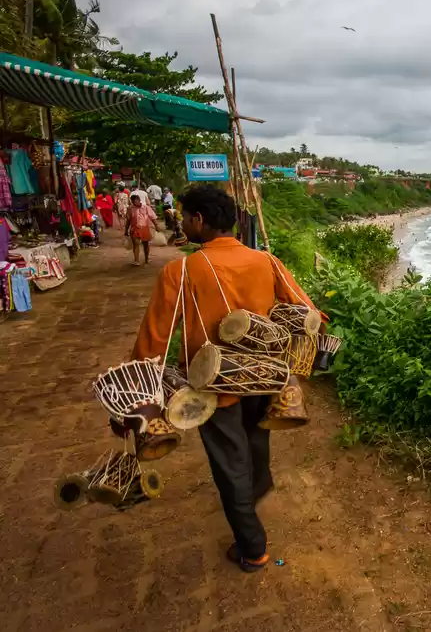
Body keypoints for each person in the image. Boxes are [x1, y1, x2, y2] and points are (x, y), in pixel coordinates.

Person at [131, 185, 324, 573]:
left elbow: (154, 339)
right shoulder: (266, 261)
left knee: (229, 461)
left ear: (199, 220)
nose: (183, 223)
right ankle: (254, 496)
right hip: (265, 376)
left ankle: (253, 548)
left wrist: (136, 388)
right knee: (255, 442)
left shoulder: (181, 270)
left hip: (213, 386)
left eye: (185, 217)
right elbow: (308, 312)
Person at [125, 194, 157, 265]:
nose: (134, 203)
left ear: (139, 200)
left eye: (135, 201)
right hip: (134, 228)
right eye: (133, 202)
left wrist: (156, 226)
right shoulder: (130, 209)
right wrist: (126, 230)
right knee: (136, 244)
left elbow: (153, 217)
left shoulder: (146, 208)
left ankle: (147, 259)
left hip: (145, 228)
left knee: (146, 244)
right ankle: (136, 260)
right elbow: (128, 220)